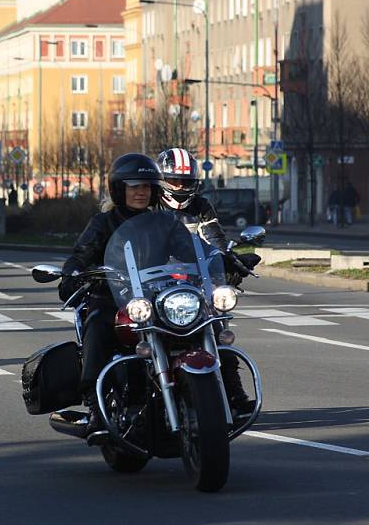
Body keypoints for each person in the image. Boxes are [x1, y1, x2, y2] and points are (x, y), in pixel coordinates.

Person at [59, 153, 164, 434]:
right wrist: (73, 273)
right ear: (120, 190)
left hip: (156, 298)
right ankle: (95, 403)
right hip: (114, 297)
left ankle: (222, 393)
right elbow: (81, 254)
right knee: (96, 324)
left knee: (202, 322)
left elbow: (188, 249)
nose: (141, 192)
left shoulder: (164, 223)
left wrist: (223, 261)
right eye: (134, 186)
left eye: (146, 187)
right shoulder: (103, 223)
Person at [156, 147, 257, 417]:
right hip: (155, 282)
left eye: (186, 181)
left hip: (193, 282)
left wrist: (228, 261)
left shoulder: (200, 206)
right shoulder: (152, 204)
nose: (180, 186)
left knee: (217, 329)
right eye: (175, 180)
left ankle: (234, 394)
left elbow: (215, 240)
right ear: (162, 180)